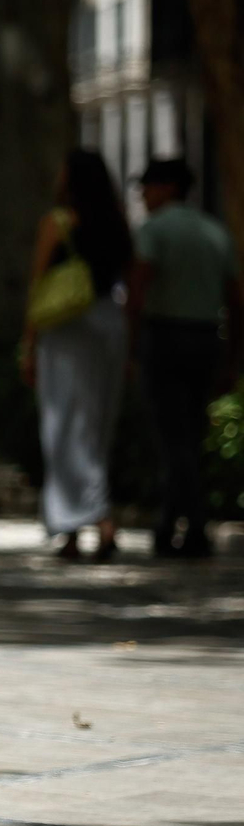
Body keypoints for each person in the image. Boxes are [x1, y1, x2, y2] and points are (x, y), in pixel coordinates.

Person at [20, 149, 133, 562]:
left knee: (65, 427)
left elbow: (38, 286)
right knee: (96, 427)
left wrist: (28, 344)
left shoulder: (58, 223)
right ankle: (70, 529)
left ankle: (98, 520)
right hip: (109, 325)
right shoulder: (117, 222)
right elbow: (132, 280)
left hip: (66, 330)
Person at [128, 159, 244, 559]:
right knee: (188, 436)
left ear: (166, 188)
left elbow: (138, 290)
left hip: (165, 337)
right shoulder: (216, 232)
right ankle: (169, 524)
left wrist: (130, 346)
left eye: (147, 187)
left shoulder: (154, 230)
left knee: (173, 437)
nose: (143, 196)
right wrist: (231, 359)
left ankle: (193, 525)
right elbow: (235, 299)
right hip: (206, 339)